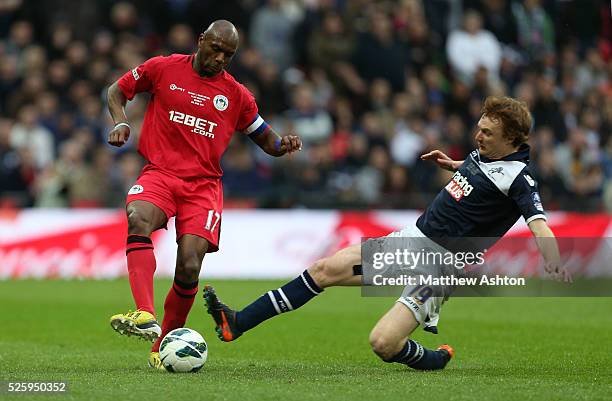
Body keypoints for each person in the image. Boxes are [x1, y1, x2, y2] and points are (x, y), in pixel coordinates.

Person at [204, 96, 571, 371]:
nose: (478, 136)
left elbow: (539, 223)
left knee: (383, 343)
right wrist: (453, 164)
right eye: (479, 127)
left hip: (440, 268)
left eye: (488, 133)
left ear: (512, 140)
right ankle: (239, 321)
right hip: (409, 241)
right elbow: (478, 170)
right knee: (323, 270)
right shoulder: (485, 154)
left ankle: (434, 360)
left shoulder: (520, 179)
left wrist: (552, 260)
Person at [106, 20, 302, 370]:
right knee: (138, 218)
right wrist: (121, 121)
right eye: (216, 48)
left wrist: (282, 144)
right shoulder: (163, 68)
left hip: (203, 187)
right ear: (201, 41)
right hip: (160, 174)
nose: (220, 58)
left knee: (190, 265)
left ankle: (161, 342)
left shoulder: (237, 95)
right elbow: (116, 91)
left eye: (229, 54)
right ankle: (145, 312)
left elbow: (265, 137)